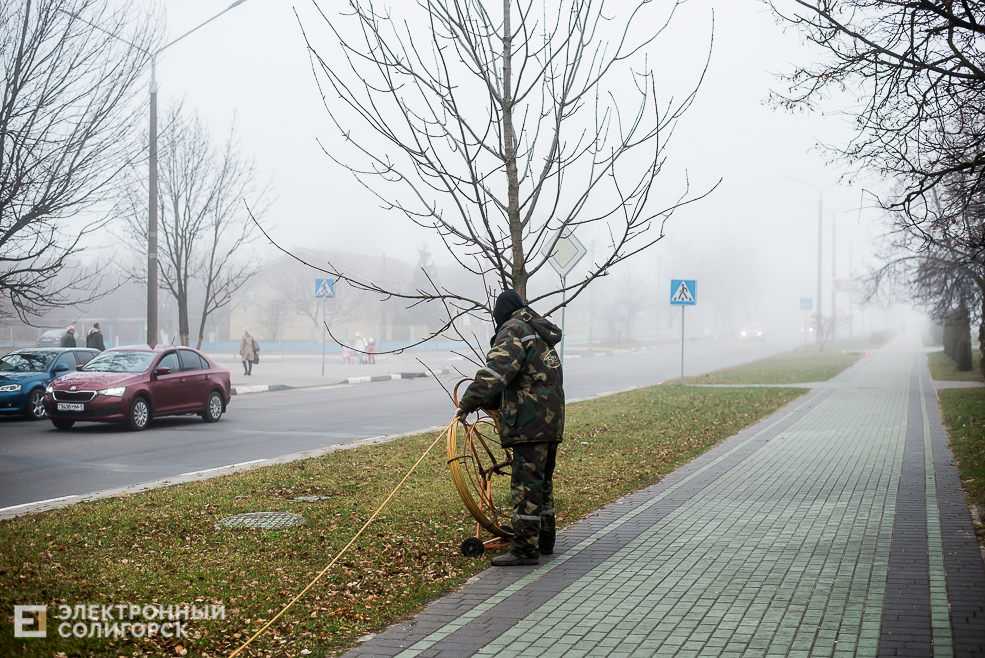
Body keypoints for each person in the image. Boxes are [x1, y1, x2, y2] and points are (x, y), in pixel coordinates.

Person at [457, 290, 564, 566]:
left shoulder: (512, 330)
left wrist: (468, 403)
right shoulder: (539, 331)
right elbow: (521, 376)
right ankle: (545, 540)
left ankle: (525, 550)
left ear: (500, 315)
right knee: (542, 482)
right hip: (551, 420)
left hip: (528, 422)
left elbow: (496, 372)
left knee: (526, 486)